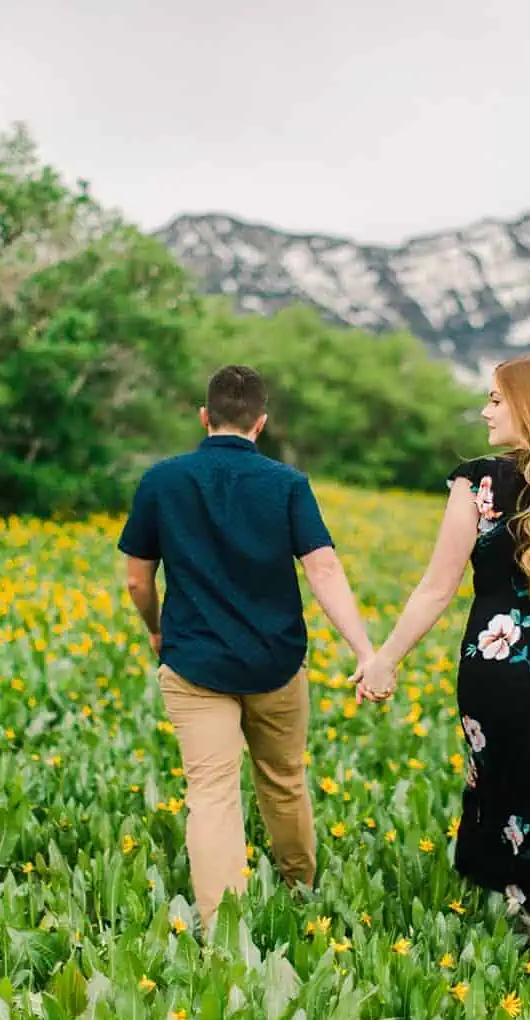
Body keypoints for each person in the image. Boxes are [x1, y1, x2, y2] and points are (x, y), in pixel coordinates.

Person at [353, 353, 530, 994]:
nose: (485, 411)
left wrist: (385, 658)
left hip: (496, 670)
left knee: (504, 794)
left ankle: (527, 908)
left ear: (529, 406)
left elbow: (437, 588)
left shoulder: (479, 485)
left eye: (495, 399)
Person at [119, 364, 374, 935]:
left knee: (210, 793)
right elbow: (324, 569)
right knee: (283, 778)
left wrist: (156, 630)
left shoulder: (163, 480)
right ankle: (300, 888)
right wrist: (364, 649)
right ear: (261, 423)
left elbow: (138, 579)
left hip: (194, 662)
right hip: (275, 662)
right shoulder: (287, 485)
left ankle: (222, 931)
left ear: (204, 417)